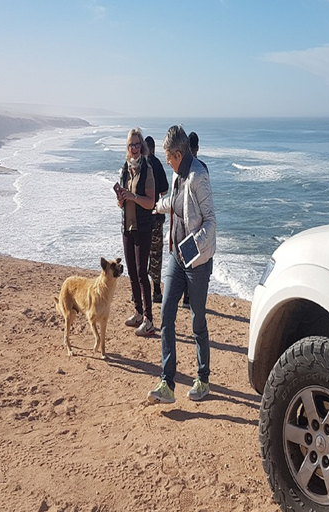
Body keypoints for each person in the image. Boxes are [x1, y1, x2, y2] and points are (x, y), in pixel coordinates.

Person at [147, 125, 216, 403]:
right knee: (166, 316)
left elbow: (211, 222)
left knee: (197, 321)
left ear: (178, 154)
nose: (165, 161)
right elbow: (174, 204)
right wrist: (154, 206)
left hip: (196, 261)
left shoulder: (198, 176)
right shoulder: (178, 174)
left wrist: (190, 247)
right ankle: (167, 384)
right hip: (177, 257)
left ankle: (203, 378)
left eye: (167, 156)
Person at [116, 128, 156, 337]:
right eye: (131, 145)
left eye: (137, 144)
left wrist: (133, 196)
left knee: (142, 273)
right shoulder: (125, 169)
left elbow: (150, 202)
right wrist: (121, 199)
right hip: (128, 226)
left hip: (143, 227)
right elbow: (121, 202)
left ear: (142, 146)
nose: (134, 148)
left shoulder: (147, 169)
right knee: (131, 271)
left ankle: (149, 320)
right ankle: (138, 313)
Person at [180, 132, 207, 308]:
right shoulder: (202, 167)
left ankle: (187, 297)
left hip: (185, 220)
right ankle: (190, 297)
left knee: (186, 259)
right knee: (194, 262)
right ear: (197, 147)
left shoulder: (183, 168)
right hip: (197, 221)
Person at [145, 136, 169, 304]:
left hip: (142, 218)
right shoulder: (157, 164)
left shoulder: (139, 164)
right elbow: (165, 189)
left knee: (142, 254)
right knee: (156, 255)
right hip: (156, 216)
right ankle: (156, 291)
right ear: (153, 148)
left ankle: (139, 290)